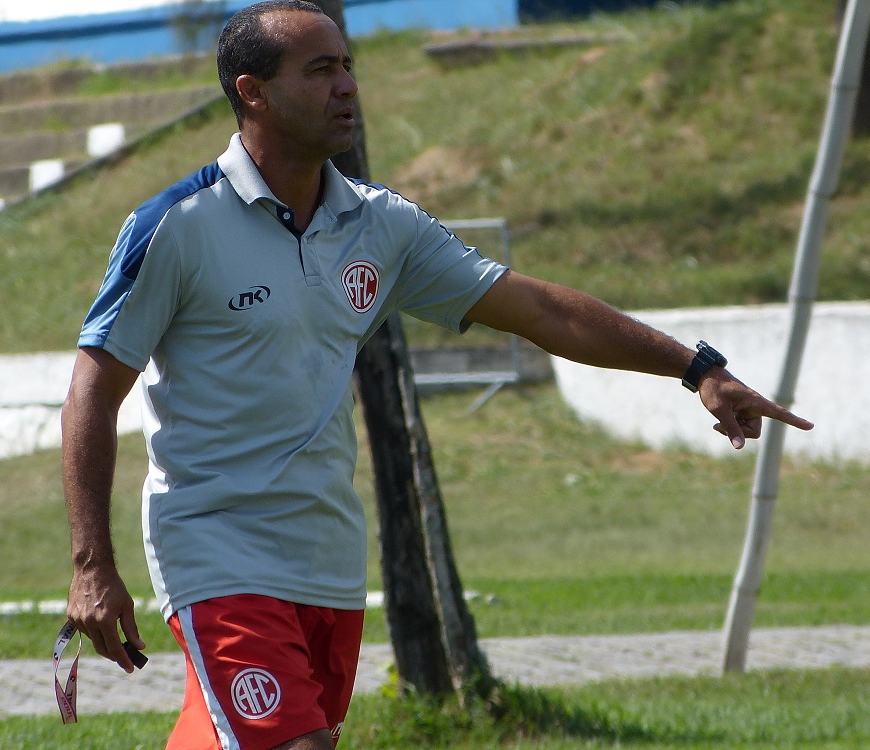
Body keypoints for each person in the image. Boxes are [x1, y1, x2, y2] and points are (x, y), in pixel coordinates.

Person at [61, 2, 813, 748]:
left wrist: (697, 368)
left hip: (326, 552)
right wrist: (92, 565)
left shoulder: (381, 224)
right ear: (252, 91)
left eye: (348, 65)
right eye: (320, 70)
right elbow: (93, 392)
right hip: (214, 548)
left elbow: (543, 311)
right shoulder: (176, 226)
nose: (347, 85)